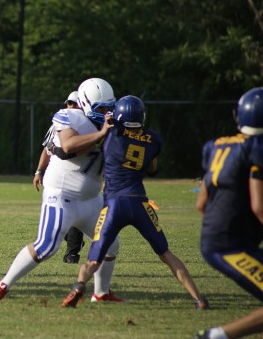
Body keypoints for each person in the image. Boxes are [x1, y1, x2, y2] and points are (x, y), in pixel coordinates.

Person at [62, 95, 209, 309]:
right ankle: (198, 298)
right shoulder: (154, 138)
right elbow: (152, 169)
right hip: (139, 202)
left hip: (113, 204)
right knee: (166, 254)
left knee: (94, 259)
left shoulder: (110, 133)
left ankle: (79, 285)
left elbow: (91, 144)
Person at [0, 78, 123, 304]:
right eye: (102, 108)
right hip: (62, 196)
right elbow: (68, 145)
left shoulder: (112, 123)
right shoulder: (70, 117)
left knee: (110, 243)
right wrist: (101, 135)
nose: (107, 113)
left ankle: (101, 292)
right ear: (86, 103)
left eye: (110, 107)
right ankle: (2, 286)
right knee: (46, 247)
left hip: (91, 199)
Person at [193, 88, 263, 339]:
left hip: (221, 238)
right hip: (229, 245)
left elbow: (201, 204)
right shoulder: (256, 148)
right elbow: (259, 206)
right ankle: (216, 336)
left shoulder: (217, 145)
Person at [33, 90, 85, 264]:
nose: (71, 106)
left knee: (76, 212)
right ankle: (74, 243)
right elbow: (47, 149)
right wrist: (39, 171)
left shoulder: (88, 124)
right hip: (57, 175)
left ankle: (72, 253)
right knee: (62, 216)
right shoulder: (59, 123)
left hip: (80, 176)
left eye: (75, 103)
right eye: (69, 103)